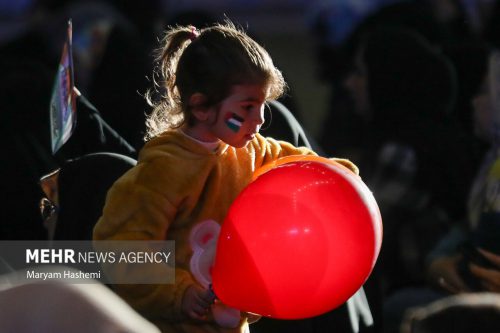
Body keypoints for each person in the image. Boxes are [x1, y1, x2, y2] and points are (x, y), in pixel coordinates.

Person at [93, 22, 357, 333]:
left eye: (261, 106)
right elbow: (124, 249)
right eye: (247, 107)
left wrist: (340, 176)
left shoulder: (253, 150)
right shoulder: (163, 169)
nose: (259, 119)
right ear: (201, 107)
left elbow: (300, 164)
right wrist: (179, 294)